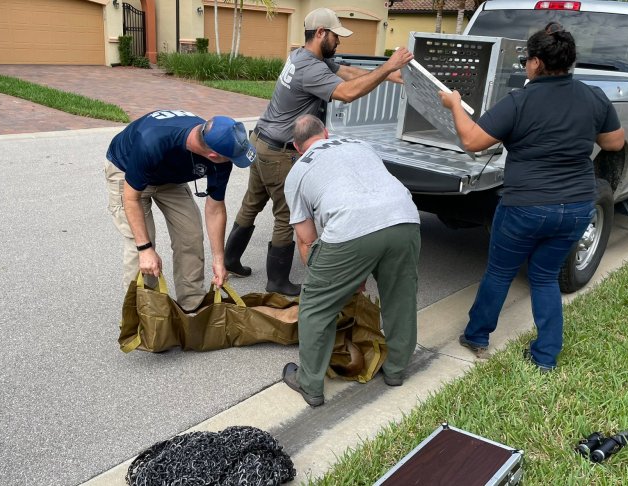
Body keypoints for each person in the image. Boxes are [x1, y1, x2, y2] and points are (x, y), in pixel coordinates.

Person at [439, 23, 625, 372]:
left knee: (499, 272)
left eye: (527, 59)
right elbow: (614, 143)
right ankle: (545, 356)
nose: (526, 65)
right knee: (544, 276)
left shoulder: (519, 101)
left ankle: (477, 336)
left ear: (537, 63)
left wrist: (453, 104)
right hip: (576, 208)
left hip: (525, 206)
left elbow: (473, 142)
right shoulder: (594, 96)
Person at [223, 7, 415, 296]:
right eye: (336, 36)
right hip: (279, 152)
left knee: (251, 203)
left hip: (261, 141)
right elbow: (347, 93)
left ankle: (230, 260)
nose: (339, 42)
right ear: (321, 33)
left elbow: (347, 72)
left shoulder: (303, 56)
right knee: (286, 215)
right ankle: (277, 281)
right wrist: (387, 67)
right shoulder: (311, 68)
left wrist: (389, 76)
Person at [280, 115, 421, 407]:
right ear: (326, 133)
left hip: (350, 228)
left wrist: (330, 284)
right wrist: (355, 273)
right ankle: (395, 371)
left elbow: (307, 240)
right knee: (400, 297)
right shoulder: (360, 145)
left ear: (297, 146)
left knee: (316, 306)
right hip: (405, 218)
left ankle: (310, 384)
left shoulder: (297, 172)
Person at [105, 109, 256, 311]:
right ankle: (143, 315)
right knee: (140, 246)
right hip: (127, 172)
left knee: (191, 235)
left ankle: (192, 304)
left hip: (169, 177)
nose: (233, 162)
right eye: (232, 158)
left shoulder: (219, 152)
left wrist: (220, 261)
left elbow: (215, 208)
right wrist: (145, 249)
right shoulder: (152, 141)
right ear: (213, 155)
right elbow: (131, 198)